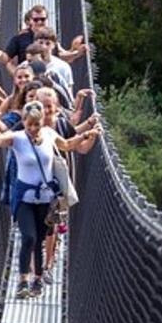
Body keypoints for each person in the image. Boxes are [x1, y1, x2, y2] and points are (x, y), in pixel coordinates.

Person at [0, 101, 102, 299]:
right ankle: (22, 280)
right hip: (23, 198)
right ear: (24, 122)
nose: (32, 128)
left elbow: (67, 145)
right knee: (28, 237)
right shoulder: (17, 138)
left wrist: (85, 135)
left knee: (39, 240)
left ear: (41, 122)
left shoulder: (49, 134)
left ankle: (37, 278)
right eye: (28, 124)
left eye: (35, 124)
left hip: (46, 199)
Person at [33, 87, 100, 283]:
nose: (46, 110)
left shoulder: (62, 125)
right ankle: (35, 269)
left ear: (56, 107)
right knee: (37, 228)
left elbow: (81, 148)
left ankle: (47, 265)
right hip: (35, 184)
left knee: (51, 226)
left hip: (58, 186)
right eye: (42, 107)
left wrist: (92, 137)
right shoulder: (29, 126)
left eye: (49, 106)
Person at [0, 5, 88, 76]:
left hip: (49, 78)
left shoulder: (50, 36)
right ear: (30, 21)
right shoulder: (20, 38)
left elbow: (61, 56)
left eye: (42, 19)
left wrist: (77, 53)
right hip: (29, 80)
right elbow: (7, 58)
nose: (39, 22)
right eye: (36, 19)